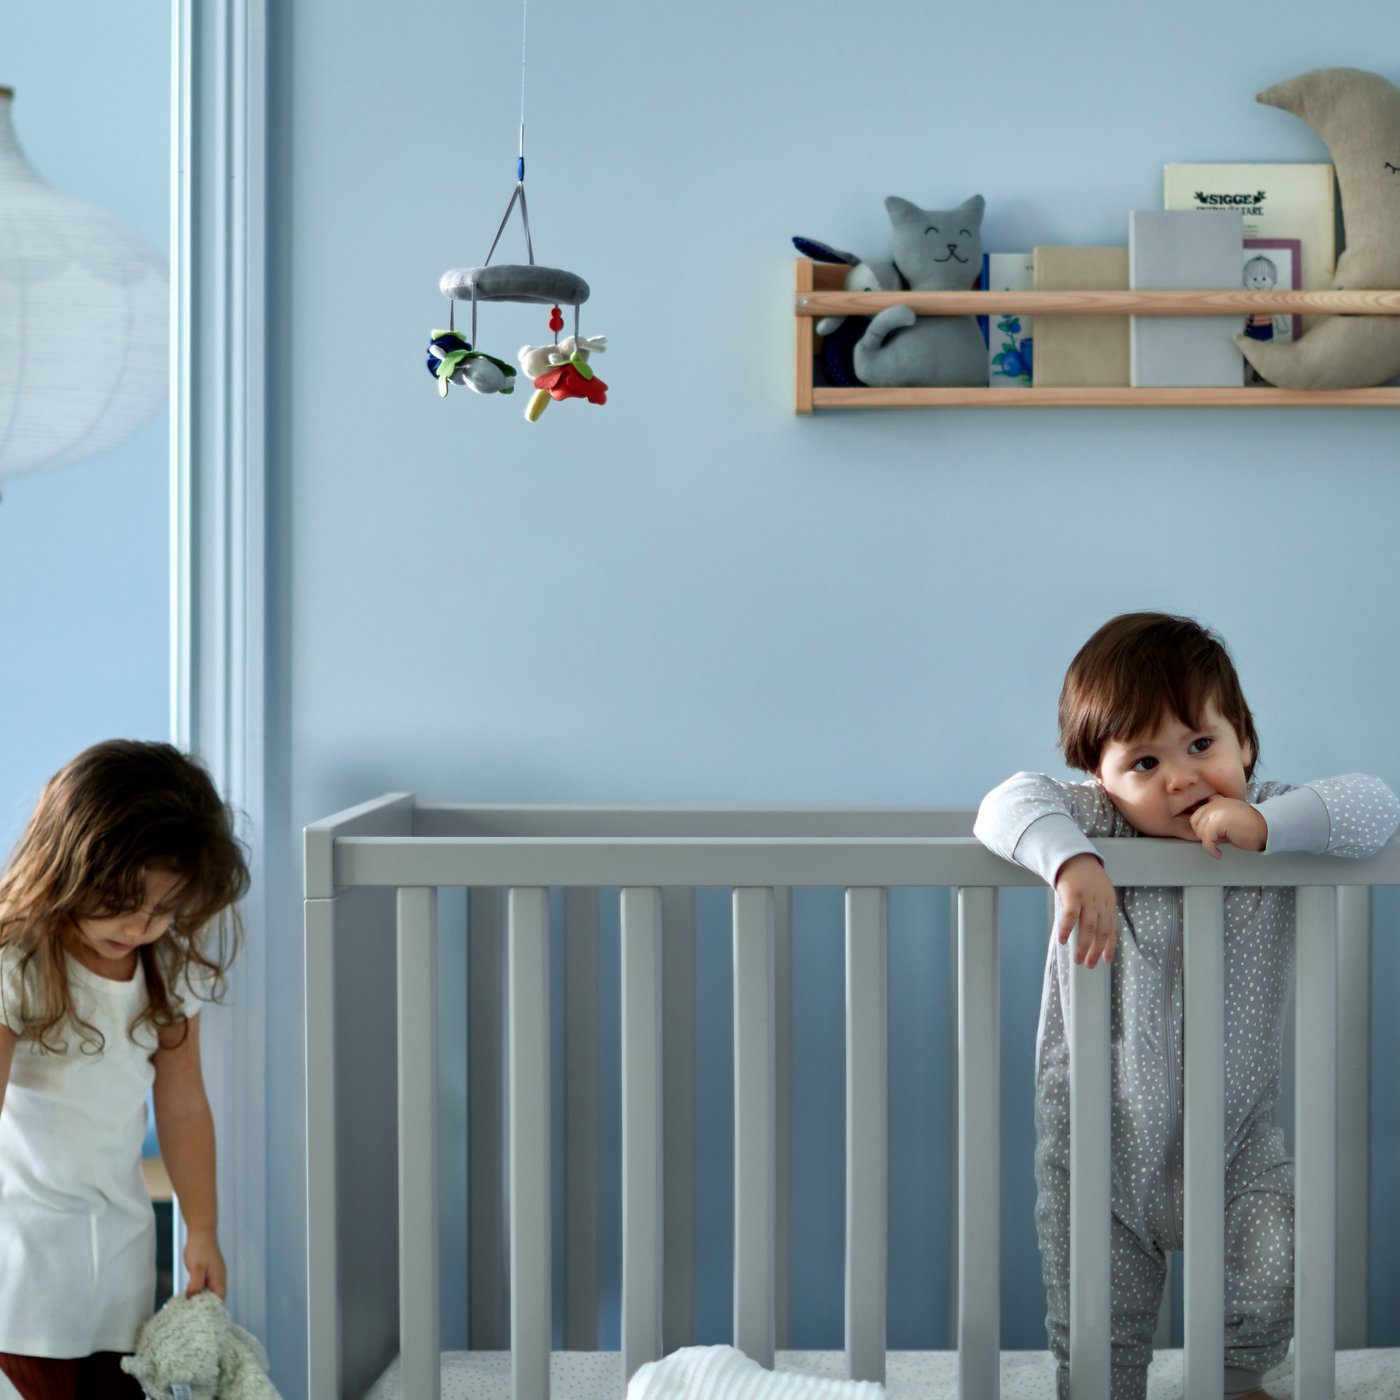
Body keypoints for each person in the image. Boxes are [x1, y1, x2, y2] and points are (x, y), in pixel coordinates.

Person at [974, 613, 1399, 1400]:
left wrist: (1268, 825)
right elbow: (1002, 804)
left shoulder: (1269, 821)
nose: (1181, 778)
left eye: (1202, 744)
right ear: (1100, 779)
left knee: (1278, 1249)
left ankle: (1236, 1379)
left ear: (1245, 740)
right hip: (1099, 1150)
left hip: (1237, 1143)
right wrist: (1070, 862)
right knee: (1097, 1326)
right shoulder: (1096, 826)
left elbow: (1377, 807)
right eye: (1145, 761)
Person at [0, 740, 249, 1400]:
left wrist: (202, 1228)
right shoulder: (19, 966)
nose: (140, 926)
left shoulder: (166, 968)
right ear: (67, 865)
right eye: (122, 900)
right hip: (21, 1250)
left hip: (120, 1243)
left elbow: (184, 1104)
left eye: (165, 909)